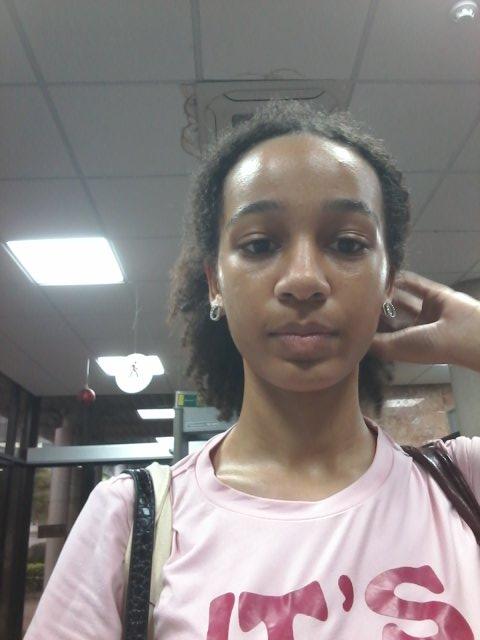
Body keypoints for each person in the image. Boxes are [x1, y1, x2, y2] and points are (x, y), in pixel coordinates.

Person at [25, 101, 480, 639]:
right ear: (214, 282)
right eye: (260, 244)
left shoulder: (462, 483)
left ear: (388, 279)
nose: (304, 279)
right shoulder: (131, 520)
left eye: (347, 244)